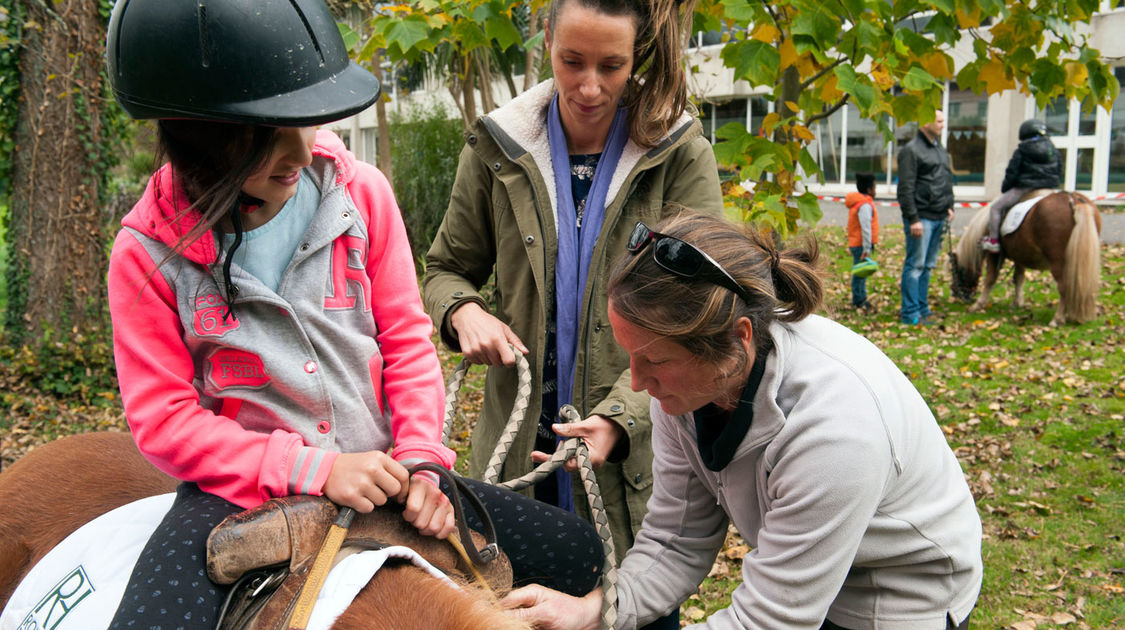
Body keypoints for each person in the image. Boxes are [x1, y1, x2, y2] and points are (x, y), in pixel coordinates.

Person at [103, 1, 601, 627]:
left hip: (390, 469)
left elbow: (406, 341)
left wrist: (422, 458)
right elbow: (165, 420)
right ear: (196, 133)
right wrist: (312, 469)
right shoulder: (146, 254)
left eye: (305, 122)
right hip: (239, 493)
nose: (298, 151)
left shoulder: (362, 195)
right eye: (265, 134)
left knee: (576, 552)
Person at [502, 210, 984, 630]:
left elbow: (770, 620)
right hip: (805, 580)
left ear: (739, 340)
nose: (638, 381)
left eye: (656, 360)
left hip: (899, 590)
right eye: (630, 355)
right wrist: (594, 611)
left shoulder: (835, 430)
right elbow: (676, 539)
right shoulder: (684, 392)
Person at [423, 1, 722, 627]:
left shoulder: (678, 152)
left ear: (636, 55)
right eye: (571, 62)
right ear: (547, 47)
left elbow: (703, 311)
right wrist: (462, 311)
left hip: (631, 467)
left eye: (611, 66)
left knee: (628, 613)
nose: (590, 87)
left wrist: (619, 420)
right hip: (516, 468)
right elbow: (445, 268)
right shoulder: (498, 146)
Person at [896, 109, 954, 326]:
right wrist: (913, 218)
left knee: (928, 266)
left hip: (940, 216)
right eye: (938, 120)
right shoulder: (911, 151)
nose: (942, 124)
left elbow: (945, 180)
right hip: (922, 219)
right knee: (916, 265)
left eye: (942, 120)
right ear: (924, 123)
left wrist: (950, 206)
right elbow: (906, 187)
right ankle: (910, 313)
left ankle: (922, 308)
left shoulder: (939, 149)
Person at [980, 118, 1062, 253]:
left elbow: (1012, 171)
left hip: (1026, 188)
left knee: (995, 207)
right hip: (1048, 188)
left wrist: (1006, 188)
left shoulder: (1022, 149)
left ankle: (993, 241)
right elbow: (1059, 169)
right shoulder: (1053, 149)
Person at [845, 172, 879, 312]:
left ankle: (859, 298)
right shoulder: (864, 205)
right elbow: (865, 227)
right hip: (861, 245)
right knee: (860, 273)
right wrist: (866, 248)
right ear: (870, 189)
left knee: (860, 272)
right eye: (875, 186)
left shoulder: (860, 203)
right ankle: (859, 300)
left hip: (858, 243)